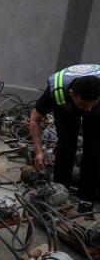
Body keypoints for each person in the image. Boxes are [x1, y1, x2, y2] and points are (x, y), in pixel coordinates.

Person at [29, 64, 100, 212]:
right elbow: (35, 119)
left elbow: (89, 106)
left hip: (96, 112)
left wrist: (90, 106)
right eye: (83, 105)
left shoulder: (92, 103)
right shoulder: (56, 91)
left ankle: (86, 197)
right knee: (66, 144)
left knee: (94, 149)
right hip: (66, 107)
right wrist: (39, 152)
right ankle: (60, 189)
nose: (87, 110)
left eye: (91, 105)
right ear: (73, 93)